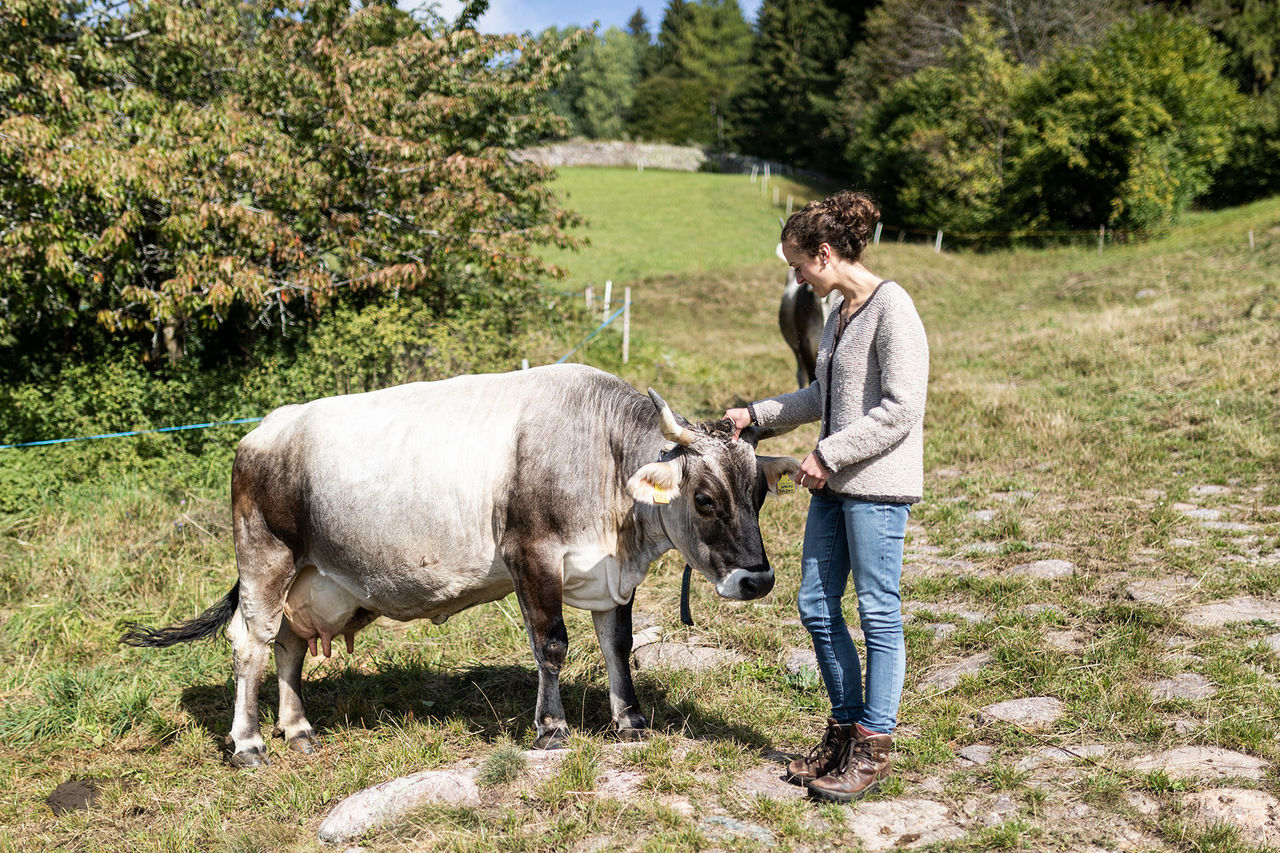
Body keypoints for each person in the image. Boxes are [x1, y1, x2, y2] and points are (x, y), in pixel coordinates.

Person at [725, 190, 929, 803]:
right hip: (835, 489)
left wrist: (826, 454)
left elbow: (900, 409)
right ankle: (842, 732)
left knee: (878, 612)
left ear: (823, 254)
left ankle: (873, 747)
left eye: (796, 266)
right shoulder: (840, 313)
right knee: (816, 605)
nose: (795, 277)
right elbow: (821, 397)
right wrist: (754, 415)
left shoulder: (894, 309)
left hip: (875, 489)